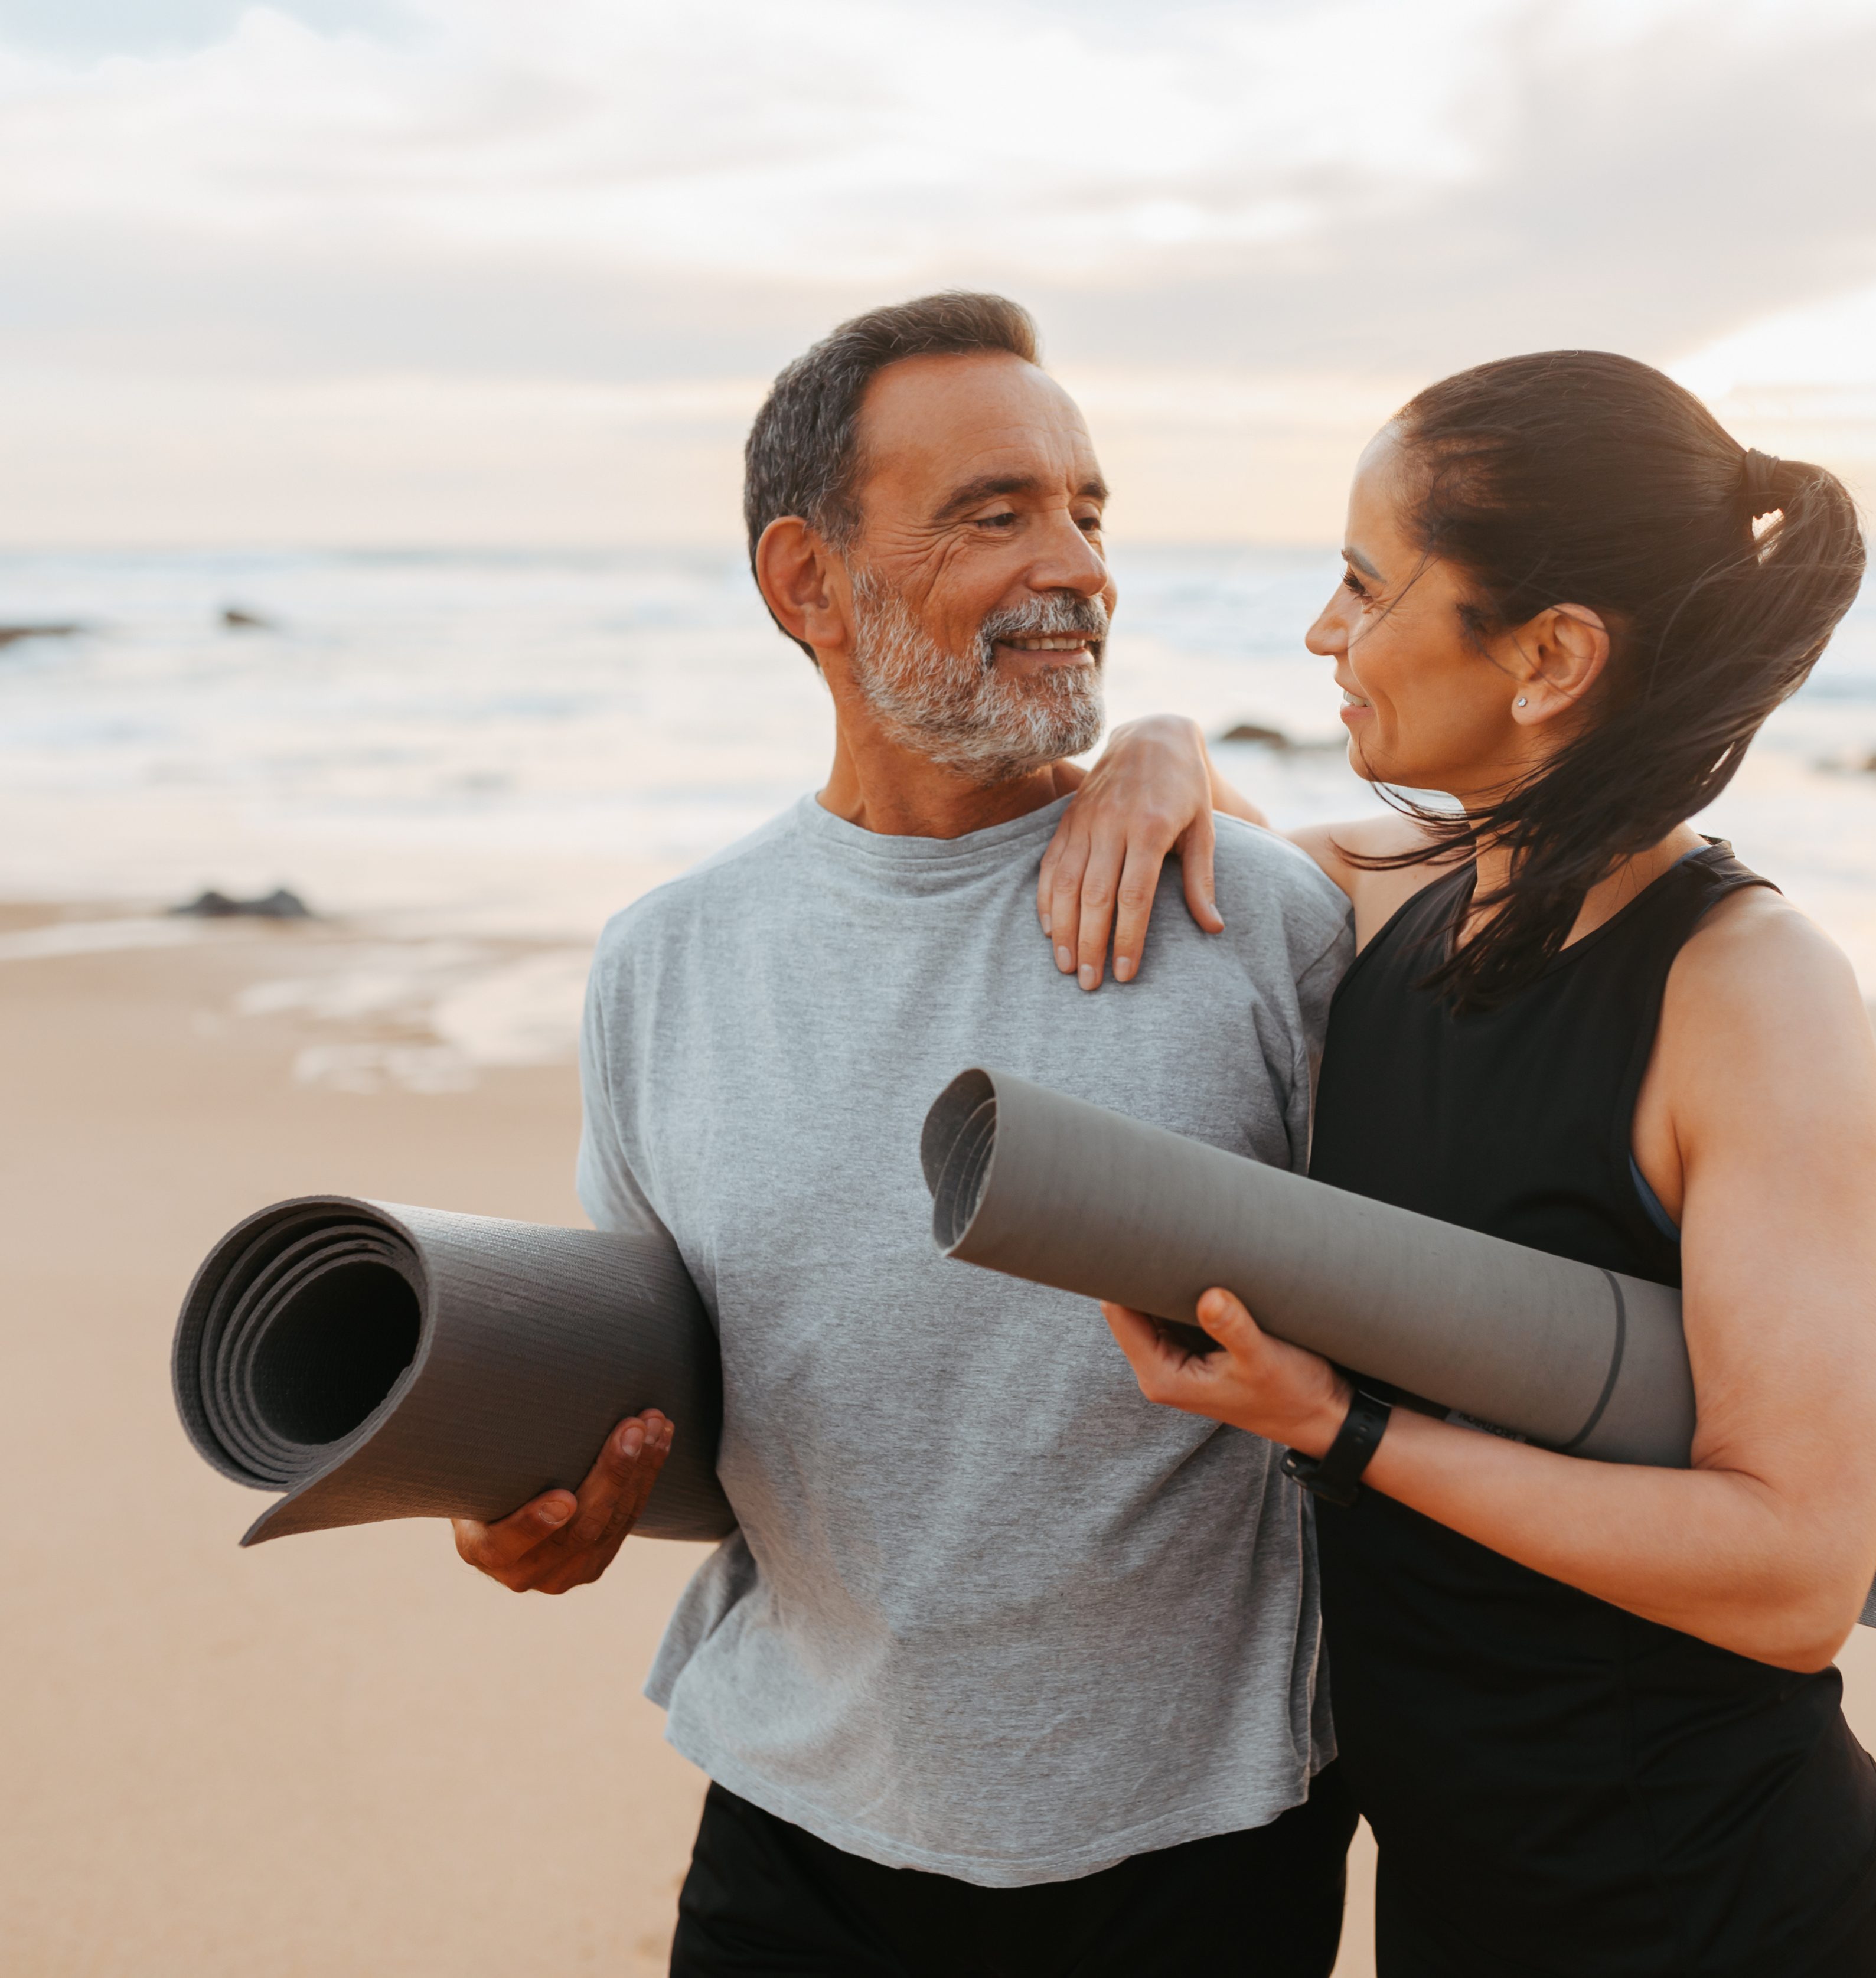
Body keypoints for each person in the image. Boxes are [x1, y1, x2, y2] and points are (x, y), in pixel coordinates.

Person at [448, 293, 1358, 1976]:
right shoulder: (666, 964)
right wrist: (556, 1504)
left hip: (1196, 1849)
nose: (1077, 565)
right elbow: (686, 1408)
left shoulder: (1256, 918)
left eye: (1090, 511)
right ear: (809, 582)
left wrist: (1181, 756)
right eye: (994, 513)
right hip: (800, 1832)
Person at [1039, 351, 1876, 1976]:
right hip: (1451, 1884)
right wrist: (1155, 740)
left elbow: (1798, 1567)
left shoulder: (1745, 992)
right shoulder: (1416, 893)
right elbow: (1239, 844)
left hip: (1695, 1898)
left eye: (1366, 588)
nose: (1324, 634)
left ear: (1551, 656)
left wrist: (1343, 1428)